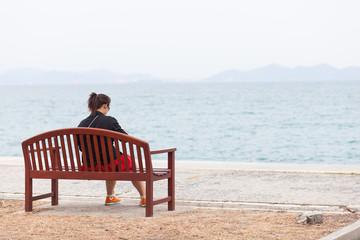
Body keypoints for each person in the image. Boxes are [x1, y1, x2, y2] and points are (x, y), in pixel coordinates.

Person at [78, 92, 146, 207]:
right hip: (110, 163)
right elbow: (126, 140)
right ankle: (144, 198)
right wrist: (122, 130)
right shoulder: (110, 120)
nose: (108, 109)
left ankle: (110, 197)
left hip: (89, 166)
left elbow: (81, 148)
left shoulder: (82, 123)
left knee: (111, 161)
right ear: (105, 105)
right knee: (131, 163)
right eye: (109, 107)